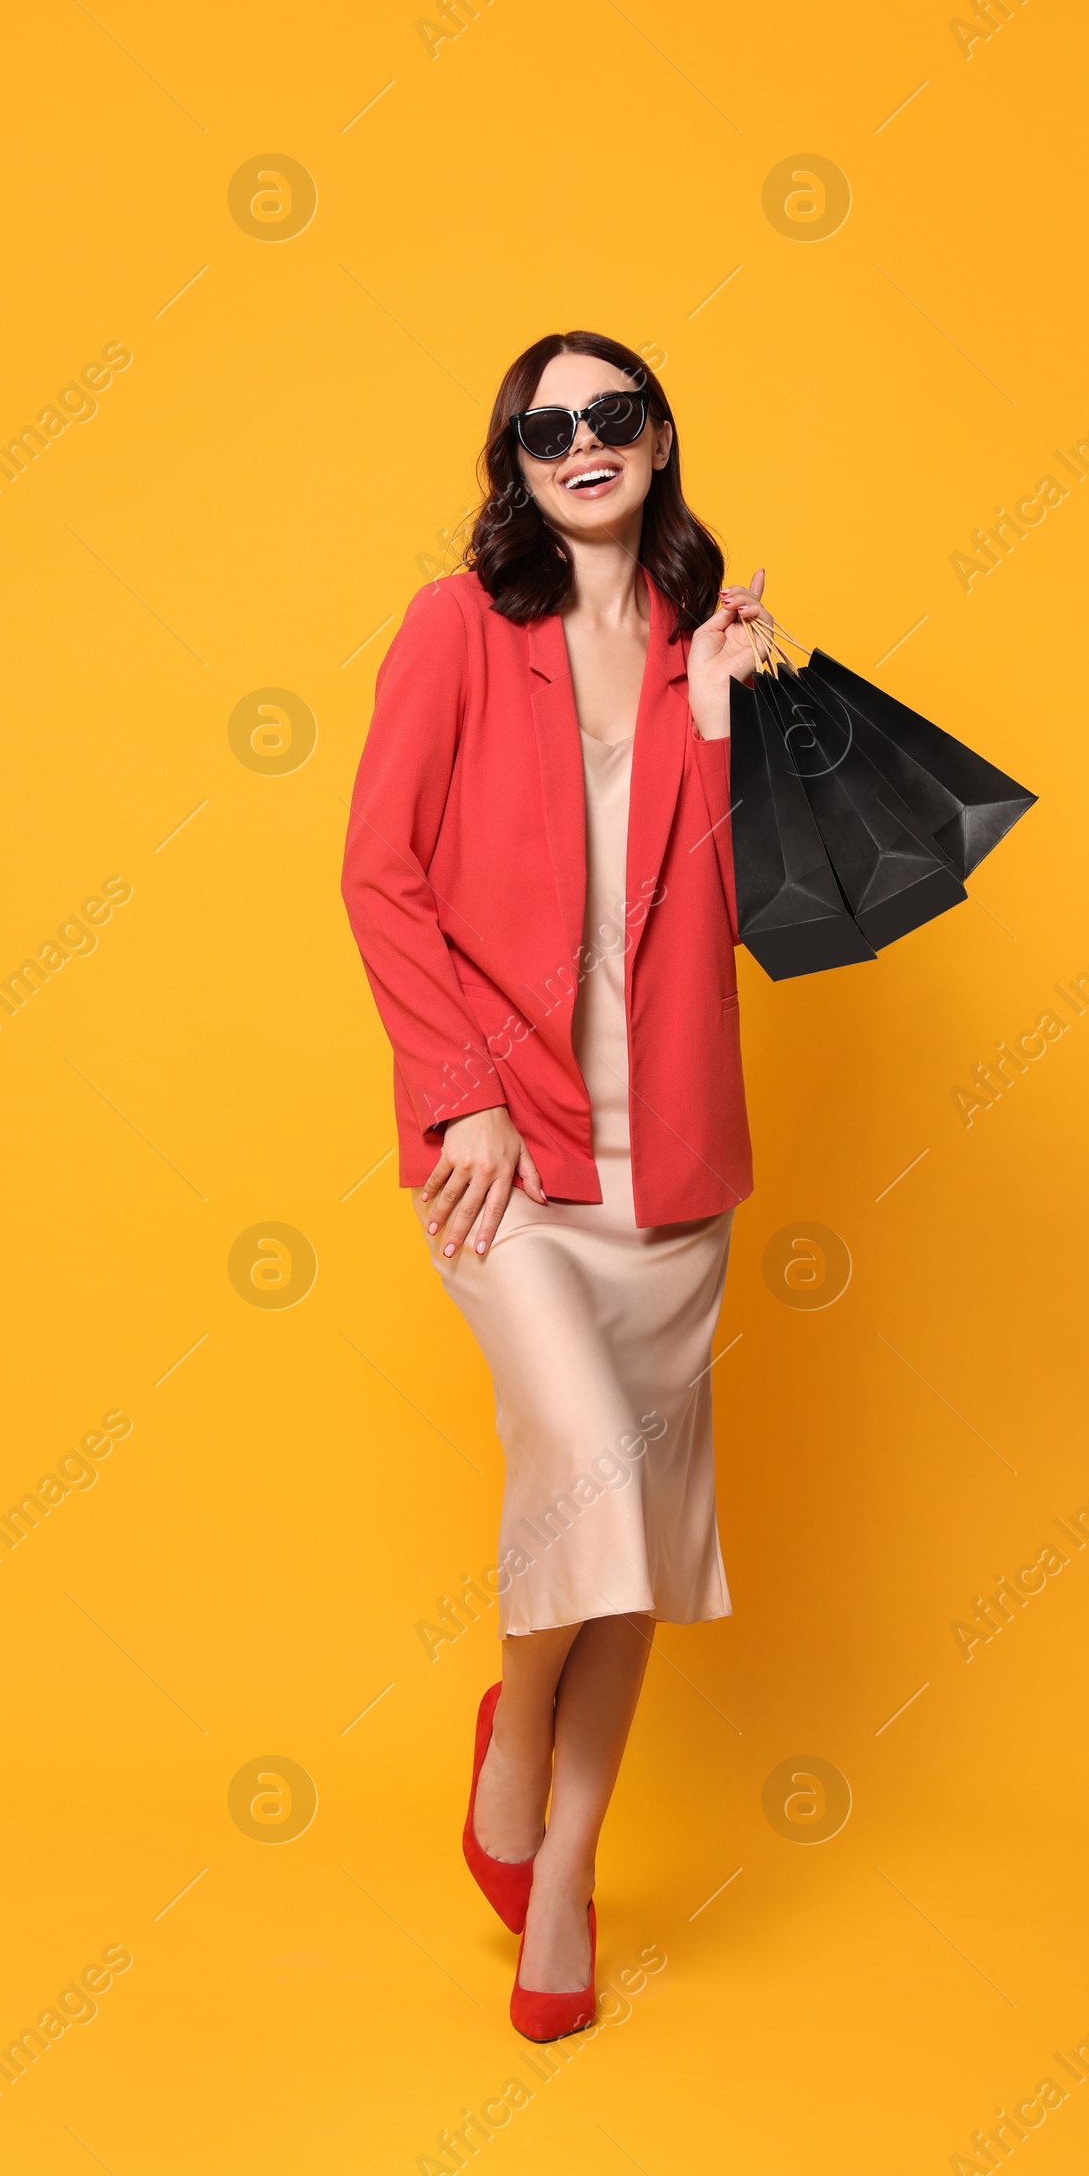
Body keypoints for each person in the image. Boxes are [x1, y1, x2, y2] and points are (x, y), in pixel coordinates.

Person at [341, 330, 772, 2039]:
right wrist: (460, 1101)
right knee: (592, 1477)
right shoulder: (458, 629)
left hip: (666, 1160)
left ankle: (564, 1868)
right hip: (504, 1153)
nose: (580, 444)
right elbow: (378, 875)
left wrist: (732, 717)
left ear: (660, 439)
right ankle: (512, 1748)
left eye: (610, 417)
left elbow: (730, 916)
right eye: (545, 427)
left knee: (639, 1534)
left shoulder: (689, 643)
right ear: (513, 463)